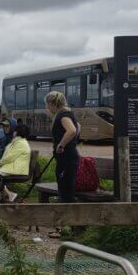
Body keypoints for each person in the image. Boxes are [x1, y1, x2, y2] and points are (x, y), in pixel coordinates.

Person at [46, 90, 79, 238]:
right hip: (69, 158)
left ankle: (64, 228)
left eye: (48, 105)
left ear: (53, 104)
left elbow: (72, 130)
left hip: (66, 159)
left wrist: (61, 145)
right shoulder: (69, 113)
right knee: (66, 190)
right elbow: (78, 127)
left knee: (65, 191)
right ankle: (68, 227)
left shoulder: (62, 115)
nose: (47, 108)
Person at [0, 122, 32, 202]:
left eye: (14, 131)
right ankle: (5, 194)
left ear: (17, 132)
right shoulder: (18, 142)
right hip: (14, 167)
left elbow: (10, 157)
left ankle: (4, 195)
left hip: (16, 169)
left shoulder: (21, 143)